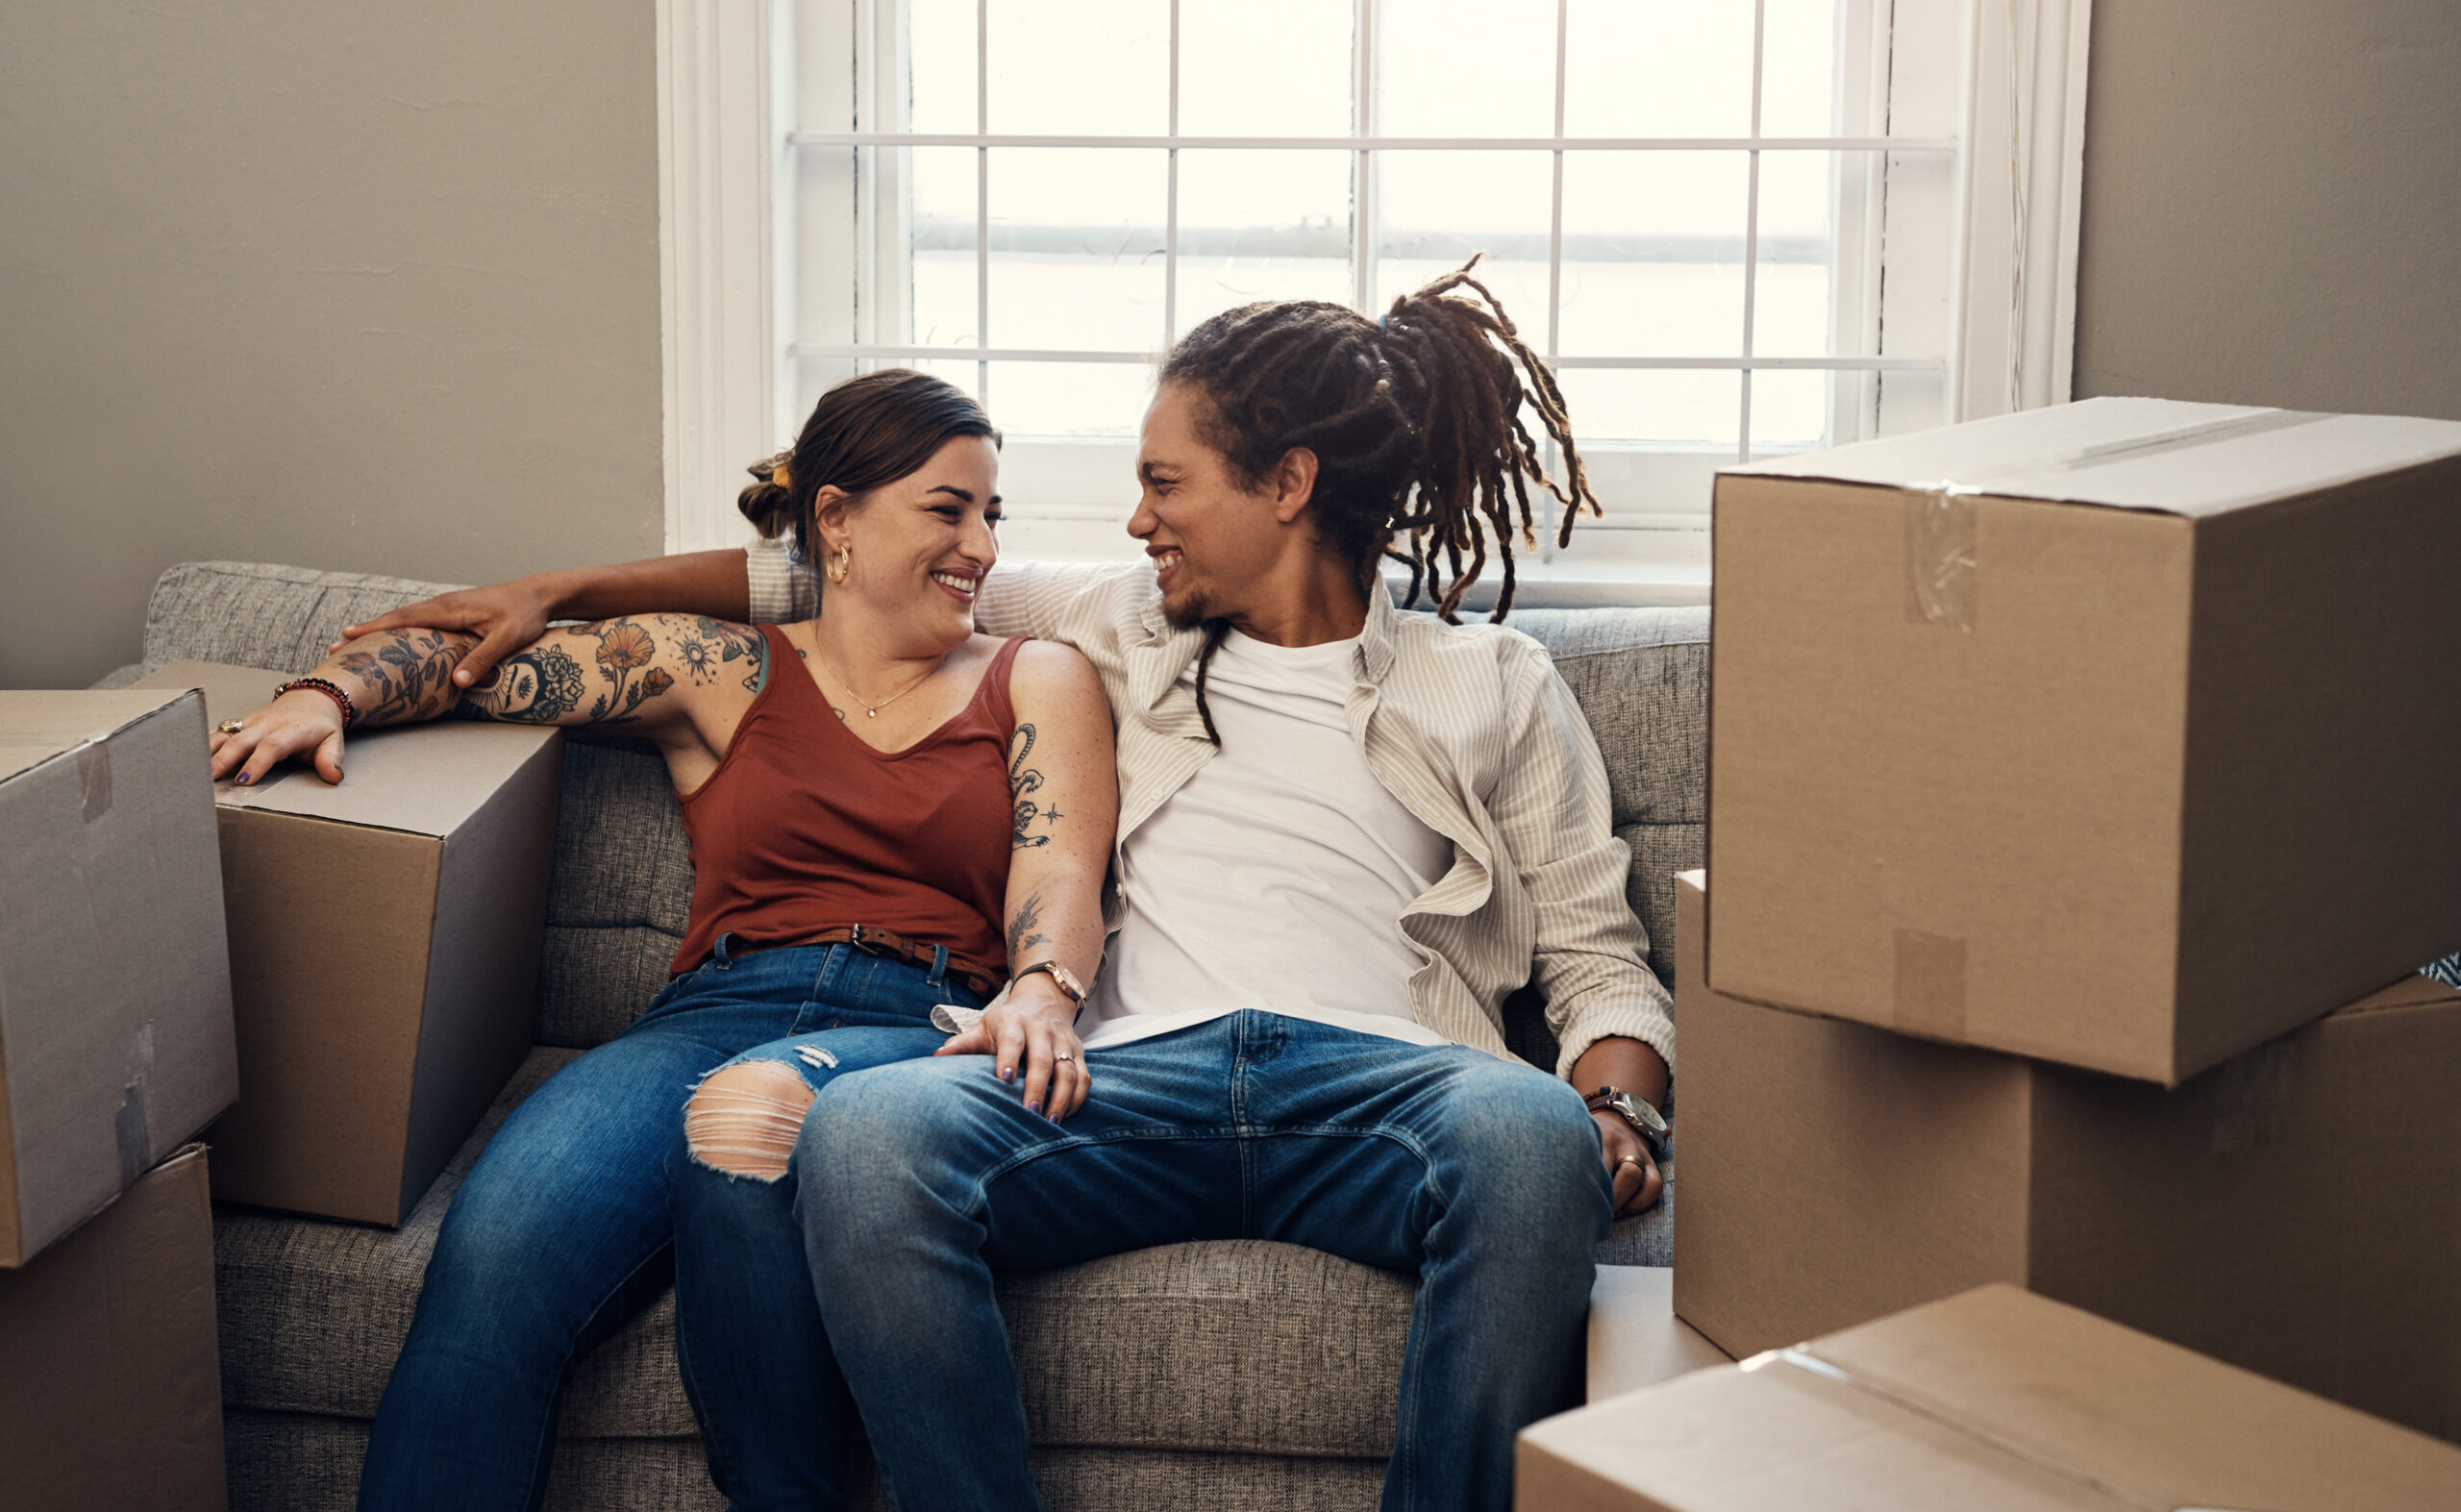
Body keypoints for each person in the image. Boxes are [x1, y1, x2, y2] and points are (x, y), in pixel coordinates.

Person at [349, 258, 1677, 1512]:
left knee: (1531, 1133)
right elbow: (821, 569)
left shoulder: (1493, 681)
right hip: (1122, 1077)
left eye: (1166, 482)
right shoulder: (1113, 616)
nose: (1135, 517)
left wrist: (1614, 1106)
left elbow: (1596, 955)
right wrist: (560, 586)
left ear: (1288, 482)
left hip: (1384, 1088)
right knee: (870, 1139)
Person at [220, 369, 1117, 1512]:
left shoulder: (1033, 672)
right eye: (949, 509)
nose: (982, 547)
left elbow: (1056, 868)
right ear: (836, 520)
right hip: (708, 1015)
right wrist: (329, 694)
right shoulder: (720, 667)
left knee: (745, 1139)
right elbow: (471, 667)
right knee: (489, 1273)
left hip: (911, 1034)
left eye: (995, 516)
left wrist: (1043, 985)